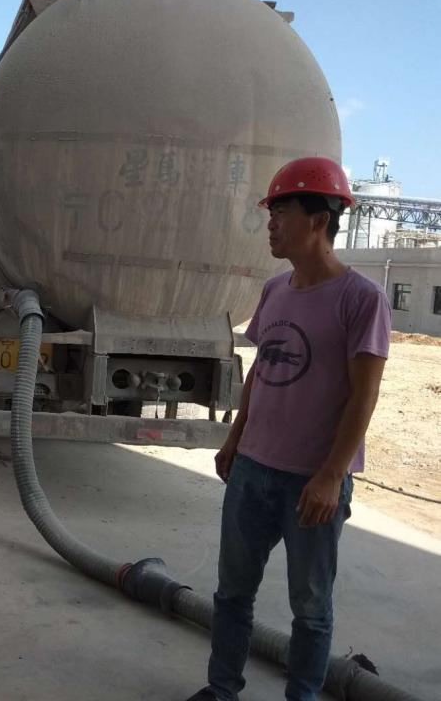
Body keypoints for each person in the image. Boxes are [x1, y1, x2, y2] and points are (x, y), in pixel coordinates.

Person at [187, 157, 391, 701]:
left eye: (281, 212)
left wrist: (331, 476)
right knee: (232, 592)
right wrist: (235, 440)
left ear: (319, 219)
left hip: (311, 482)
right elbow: (261, 370)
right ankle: (221, 690)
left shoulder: (362, 299)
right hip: (253, 468)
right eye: (270, 213)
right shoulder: (275, 290)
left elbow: (364, 395)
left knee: (310, 607)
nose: (271, 224)